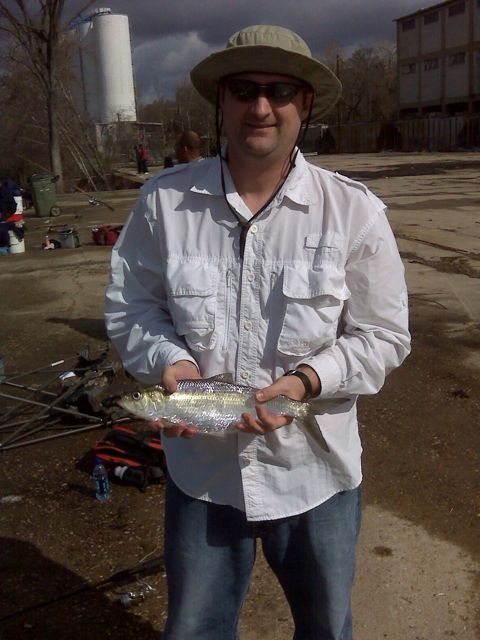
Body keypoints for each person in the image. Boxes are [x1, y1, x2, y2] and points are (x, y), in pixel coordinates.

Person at [105, 25, 411, 640]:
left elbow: (384, 334)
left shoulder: (353, 210)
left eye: (281, 91)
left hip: (315, 474)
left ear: (307, 105)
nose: (261, 106)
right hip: (204, 477)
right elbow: (132, 306)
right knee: (194, 629)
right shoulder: (163, 203)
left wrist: (304, 381)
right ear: (221, 102)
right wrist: (172, 368)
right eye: (244, 89)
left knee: (327, 628)